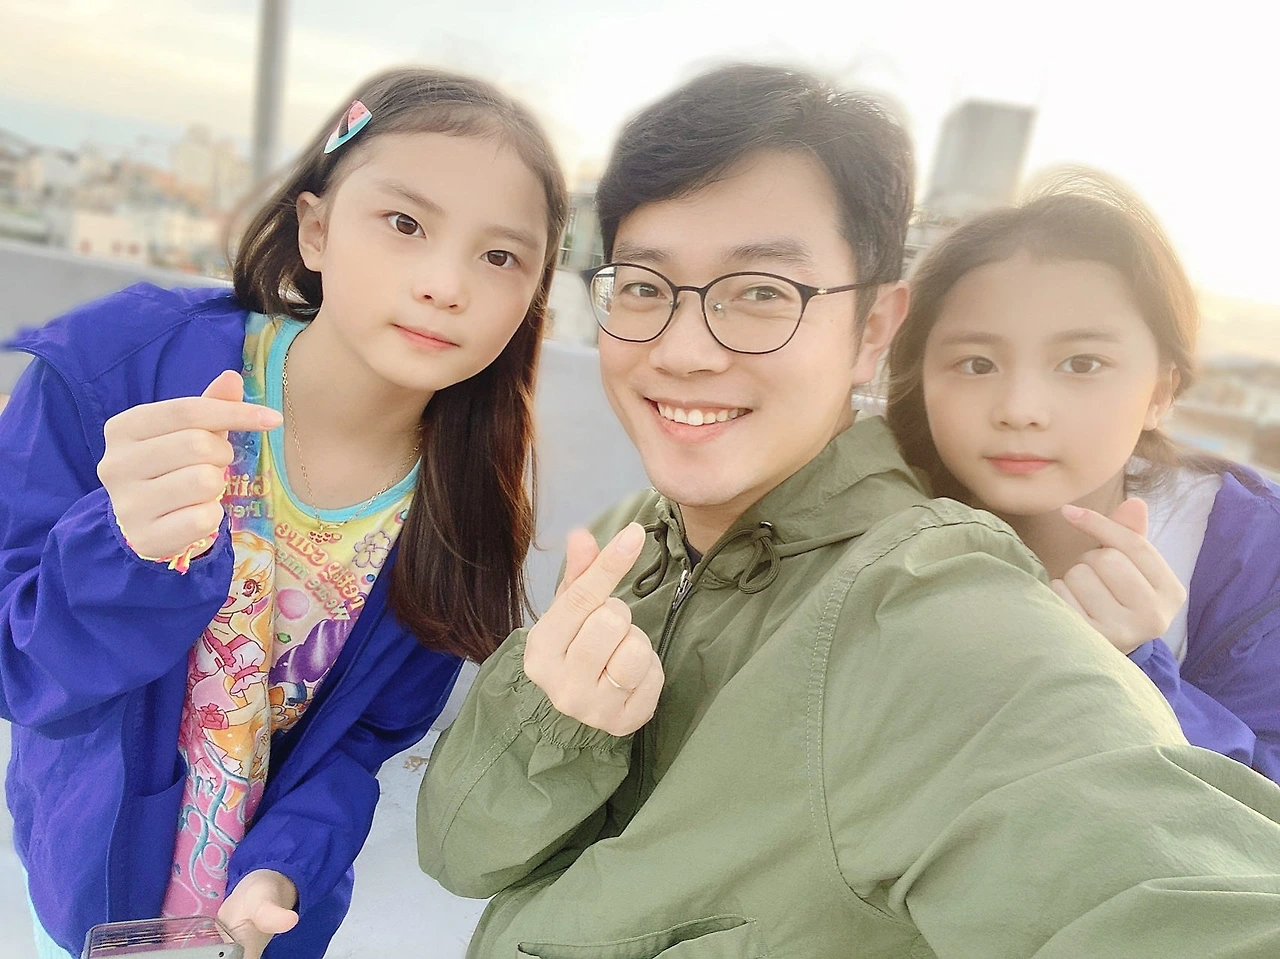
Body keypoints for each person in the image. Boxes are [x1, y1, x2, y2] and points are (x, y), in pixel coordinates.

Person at [417, 64, 1280, 958]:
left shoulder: (925, 611)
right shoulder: (639, 534)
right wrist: (557, 722)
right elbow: (456, 851)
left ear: (873, 330)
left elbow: (1177, 890)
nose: (683, 350)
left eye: (762, 292)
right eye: (643, 287)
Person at [1, 67, 566, 959]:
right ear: (316, 228)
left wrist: (284, 872)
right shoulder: (127, 371)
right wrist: (123, 549)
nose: (445, 283)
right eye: (405, 223)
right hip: (87, 897)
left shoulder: (466, 511)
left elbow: (361, 740)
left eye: (501, 257)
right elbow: (16, 661)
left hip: (259, 930)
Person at [884, 173, 1280, 784]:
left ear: (1161, 391)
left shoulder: (1256, 556)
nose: (1020, 409)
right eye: (977, 364)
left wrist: (1135, 669)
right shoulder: (863, 522)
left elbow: (1261, 807)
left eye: (1082, 363)